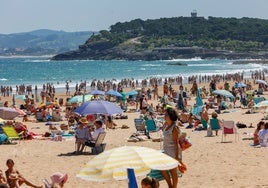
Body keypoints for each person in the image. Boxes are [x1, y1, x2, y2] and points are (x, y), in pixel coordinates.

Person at [161, 107, 181, 188]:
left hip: (173, 152)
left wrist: (177, 156)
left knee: (173, 171)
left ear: (170, 116)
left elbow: (176, 143)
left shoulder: (174, 128)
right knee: (162, 168)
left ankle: (174, 187)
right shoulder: (167, 126)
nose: (164, 116)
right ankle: (170, 185)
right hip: (165, 150)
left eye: (166, 114)